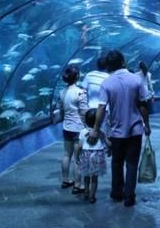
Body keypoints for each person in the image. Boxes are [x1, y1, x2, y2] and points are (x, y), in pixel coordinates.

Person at [88, 50, 151, 207]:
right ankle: (129, 196)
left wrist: (95, 128)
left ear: (108, 66)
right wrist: (147, 125)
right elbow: (143, 104)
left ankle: (117, 193)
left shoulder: (107, 83)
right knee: (131, 164)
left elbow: (101, 108)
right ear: (123, 62)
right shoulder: (136, 80)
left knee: (117, 163)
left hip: (116, 131)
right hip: (135, 130)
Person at [57, 65, 88, 194]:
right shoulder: (80, 92)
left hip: (67, 127)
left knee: (66, 154)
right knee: (78, 157)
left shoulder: (62, 92)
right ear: (77, 77)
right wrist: (88, 127)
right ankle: (78, 184)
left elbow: (61, 111)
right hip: (78, 128)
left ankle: (65, 180)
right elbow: (83, 113)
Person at [76, 108, 111, 204]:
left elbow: (79, 146)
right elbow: (108, 143)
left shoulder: (83, 132)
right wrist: (110, 149)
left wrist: (77, 157)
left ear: (86, 121)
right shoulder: (100, 132)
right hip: (98, 156)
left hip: (86, 156)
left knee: (86, 176)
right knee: (94, 178)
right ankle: (92, 196)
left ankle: (86, 192)